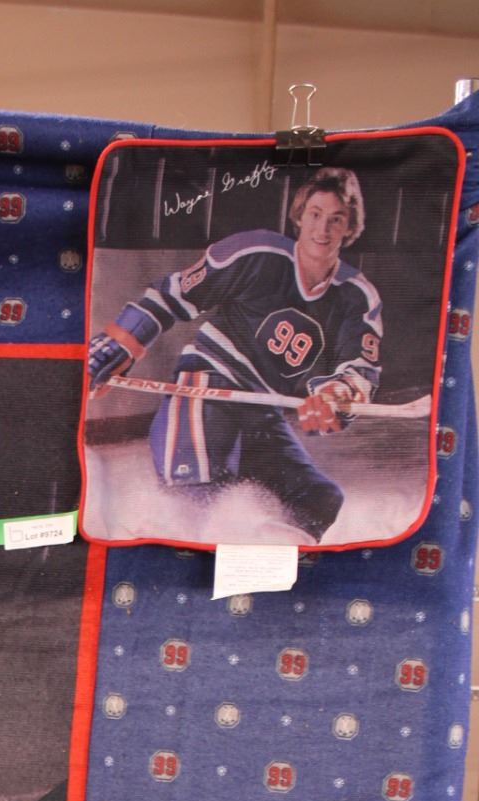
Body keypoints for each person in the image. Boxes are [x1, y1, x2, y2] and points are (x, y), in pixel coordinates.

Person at [87, 166, 382, 541]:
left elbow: (360, 370)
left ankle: (267, 558)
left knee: (318, 500)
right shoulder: (256, 252)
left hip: (263, 408)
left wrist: (338, 395)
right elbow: (173, 295)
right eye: (315, 214)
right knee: (197, 498)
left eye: (336, 219)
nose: (322, 229)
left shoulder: (357, 295)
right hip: (207, 387)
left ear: (349, 227)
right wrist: (122, 341)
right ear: (299, 216)